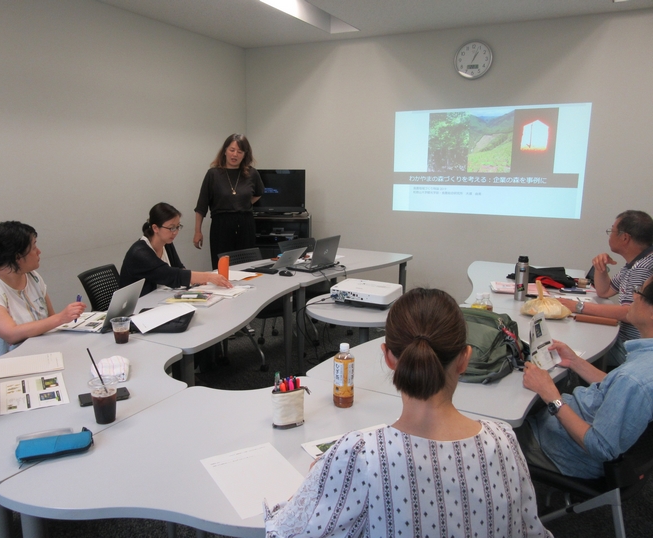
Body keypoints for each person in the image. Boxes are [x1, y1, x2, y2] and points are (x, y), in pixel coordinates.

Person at [264, 288, 551, 537]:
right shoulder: (504, 440)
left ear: (388, 356)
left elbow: (283, 532)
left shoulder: (361, 455)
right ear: (465, 359)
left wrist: (320, 479)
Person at [518, 276, 653, 480]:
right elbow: (616, 390)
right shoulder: (641, 368)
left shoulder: (634, 379)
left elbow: (600, 447)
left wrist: (551, 395)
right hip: (576, 422)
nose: (633, 295)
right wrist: (575, 361)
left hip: (566, 449)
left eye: (639, 292)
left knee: (492, 432)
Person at [0, 221, 86, 363]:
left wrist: (62, 319)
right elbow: (10, 334)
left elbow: (50, 318)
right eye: (34, 247)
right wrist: (61, 318)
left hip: (38, 353)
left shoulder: (32, 276)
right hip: (1, 365)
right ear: (17, 257)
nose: (39, 252)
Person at [558, 210, 653, 367]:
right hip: (625, 341)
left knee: (578, 346)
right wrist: (600, 268)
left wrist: (578, 307)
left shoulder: (642, 267)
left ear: (625, 237)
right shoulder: (636, 263)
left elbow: (628, 312)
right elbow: (605, 291)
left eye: (612, 231)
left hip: (630, 348)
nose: (609, 236)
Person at [119, 203, 232, 296]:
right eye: (171, 228)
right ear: (155, 228)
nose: (175, 232)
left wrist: (198, 280)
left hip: (161, 300)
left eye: (178, 227)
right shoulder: (140, 253)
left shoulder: (167, 243)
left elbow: (179, 268)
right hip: (138, 309)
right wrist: (208, 276)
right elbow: (171, 275)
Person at [193, 134, 264, 269]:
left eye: (239, 151)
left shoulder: (252, 173)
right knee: (222, 267)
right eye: (232, 150)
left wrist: (243, 203)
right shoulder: (213, 174)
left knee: (247, 267)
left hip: (245, 224)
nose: (235, 155)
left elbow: (259, 193)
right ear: (225, 150)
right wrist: (198, 231)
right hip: (221, 225)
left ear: (245, 154)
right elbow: (201, 206)